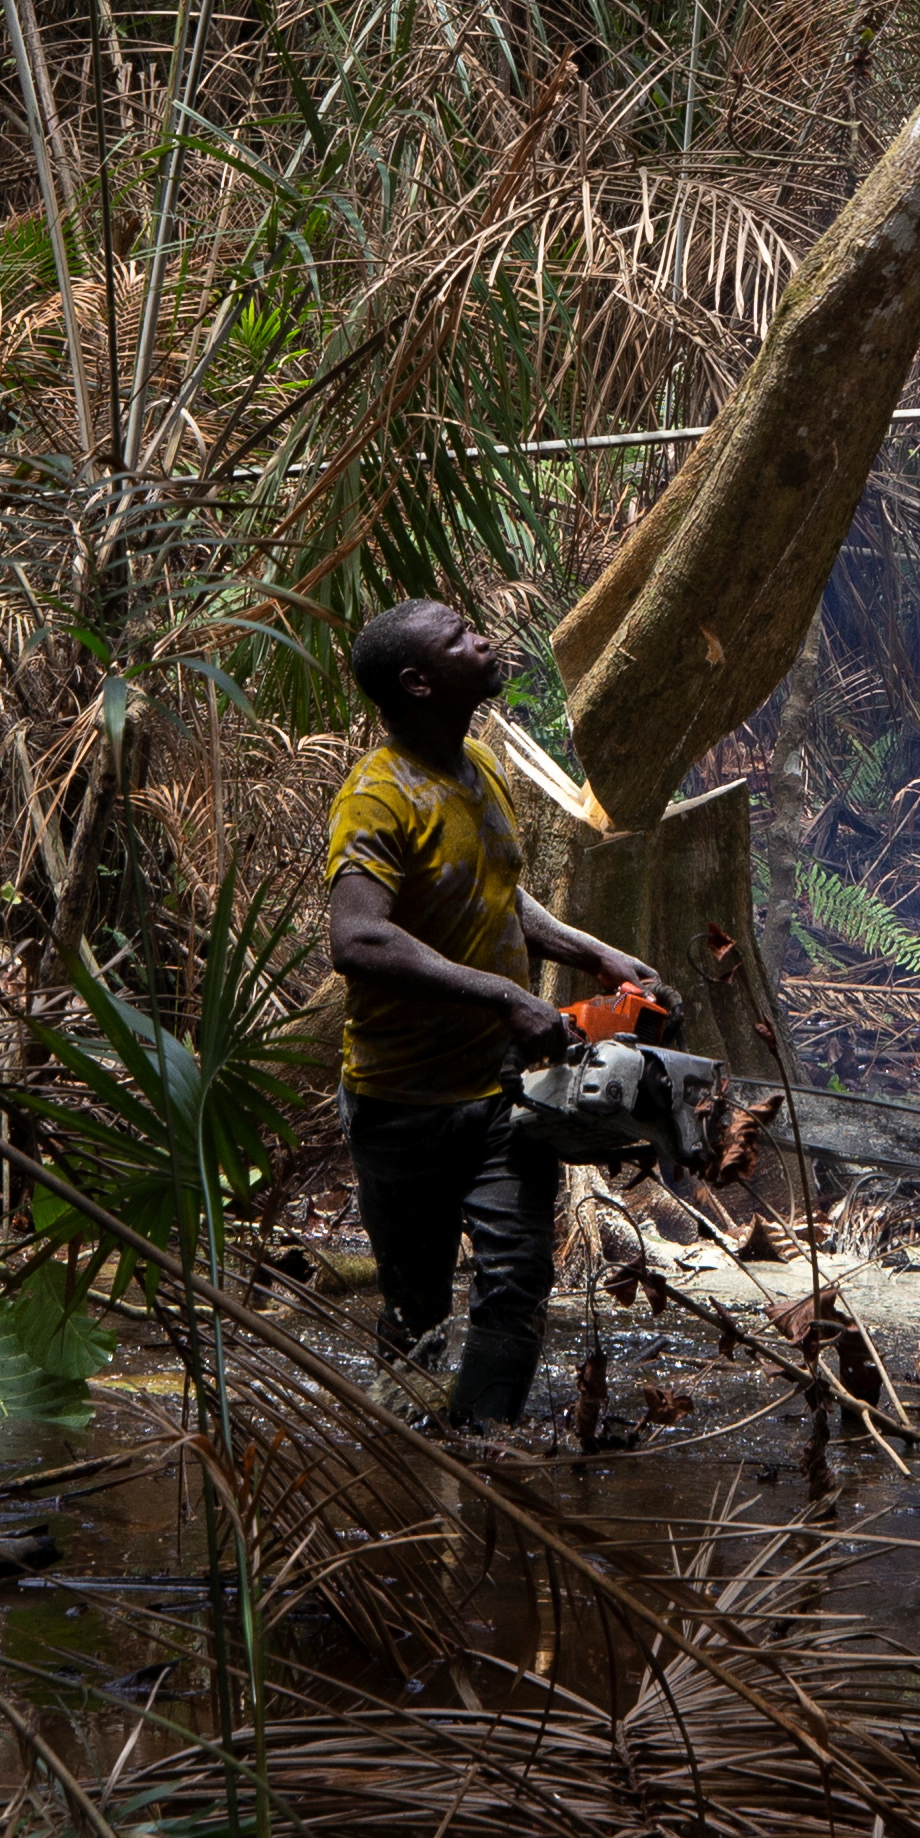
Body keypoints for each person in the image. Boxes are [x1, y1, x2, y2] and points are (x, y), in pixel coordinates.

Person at [318, 599, 658, 1429]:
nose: (484, 640)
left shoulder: (478, 762)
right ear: (419, 681)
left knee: (516, 1278)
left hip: (503, 1097)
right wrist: (508, 995)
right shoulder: (376, 797)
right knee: (418, 1308)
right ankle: (402, 1459)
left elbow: (499, 890)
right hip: (402, 1105)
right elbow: (357, 938)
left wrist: (593, 953)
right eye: (460, 638)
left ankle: (484, 1452)